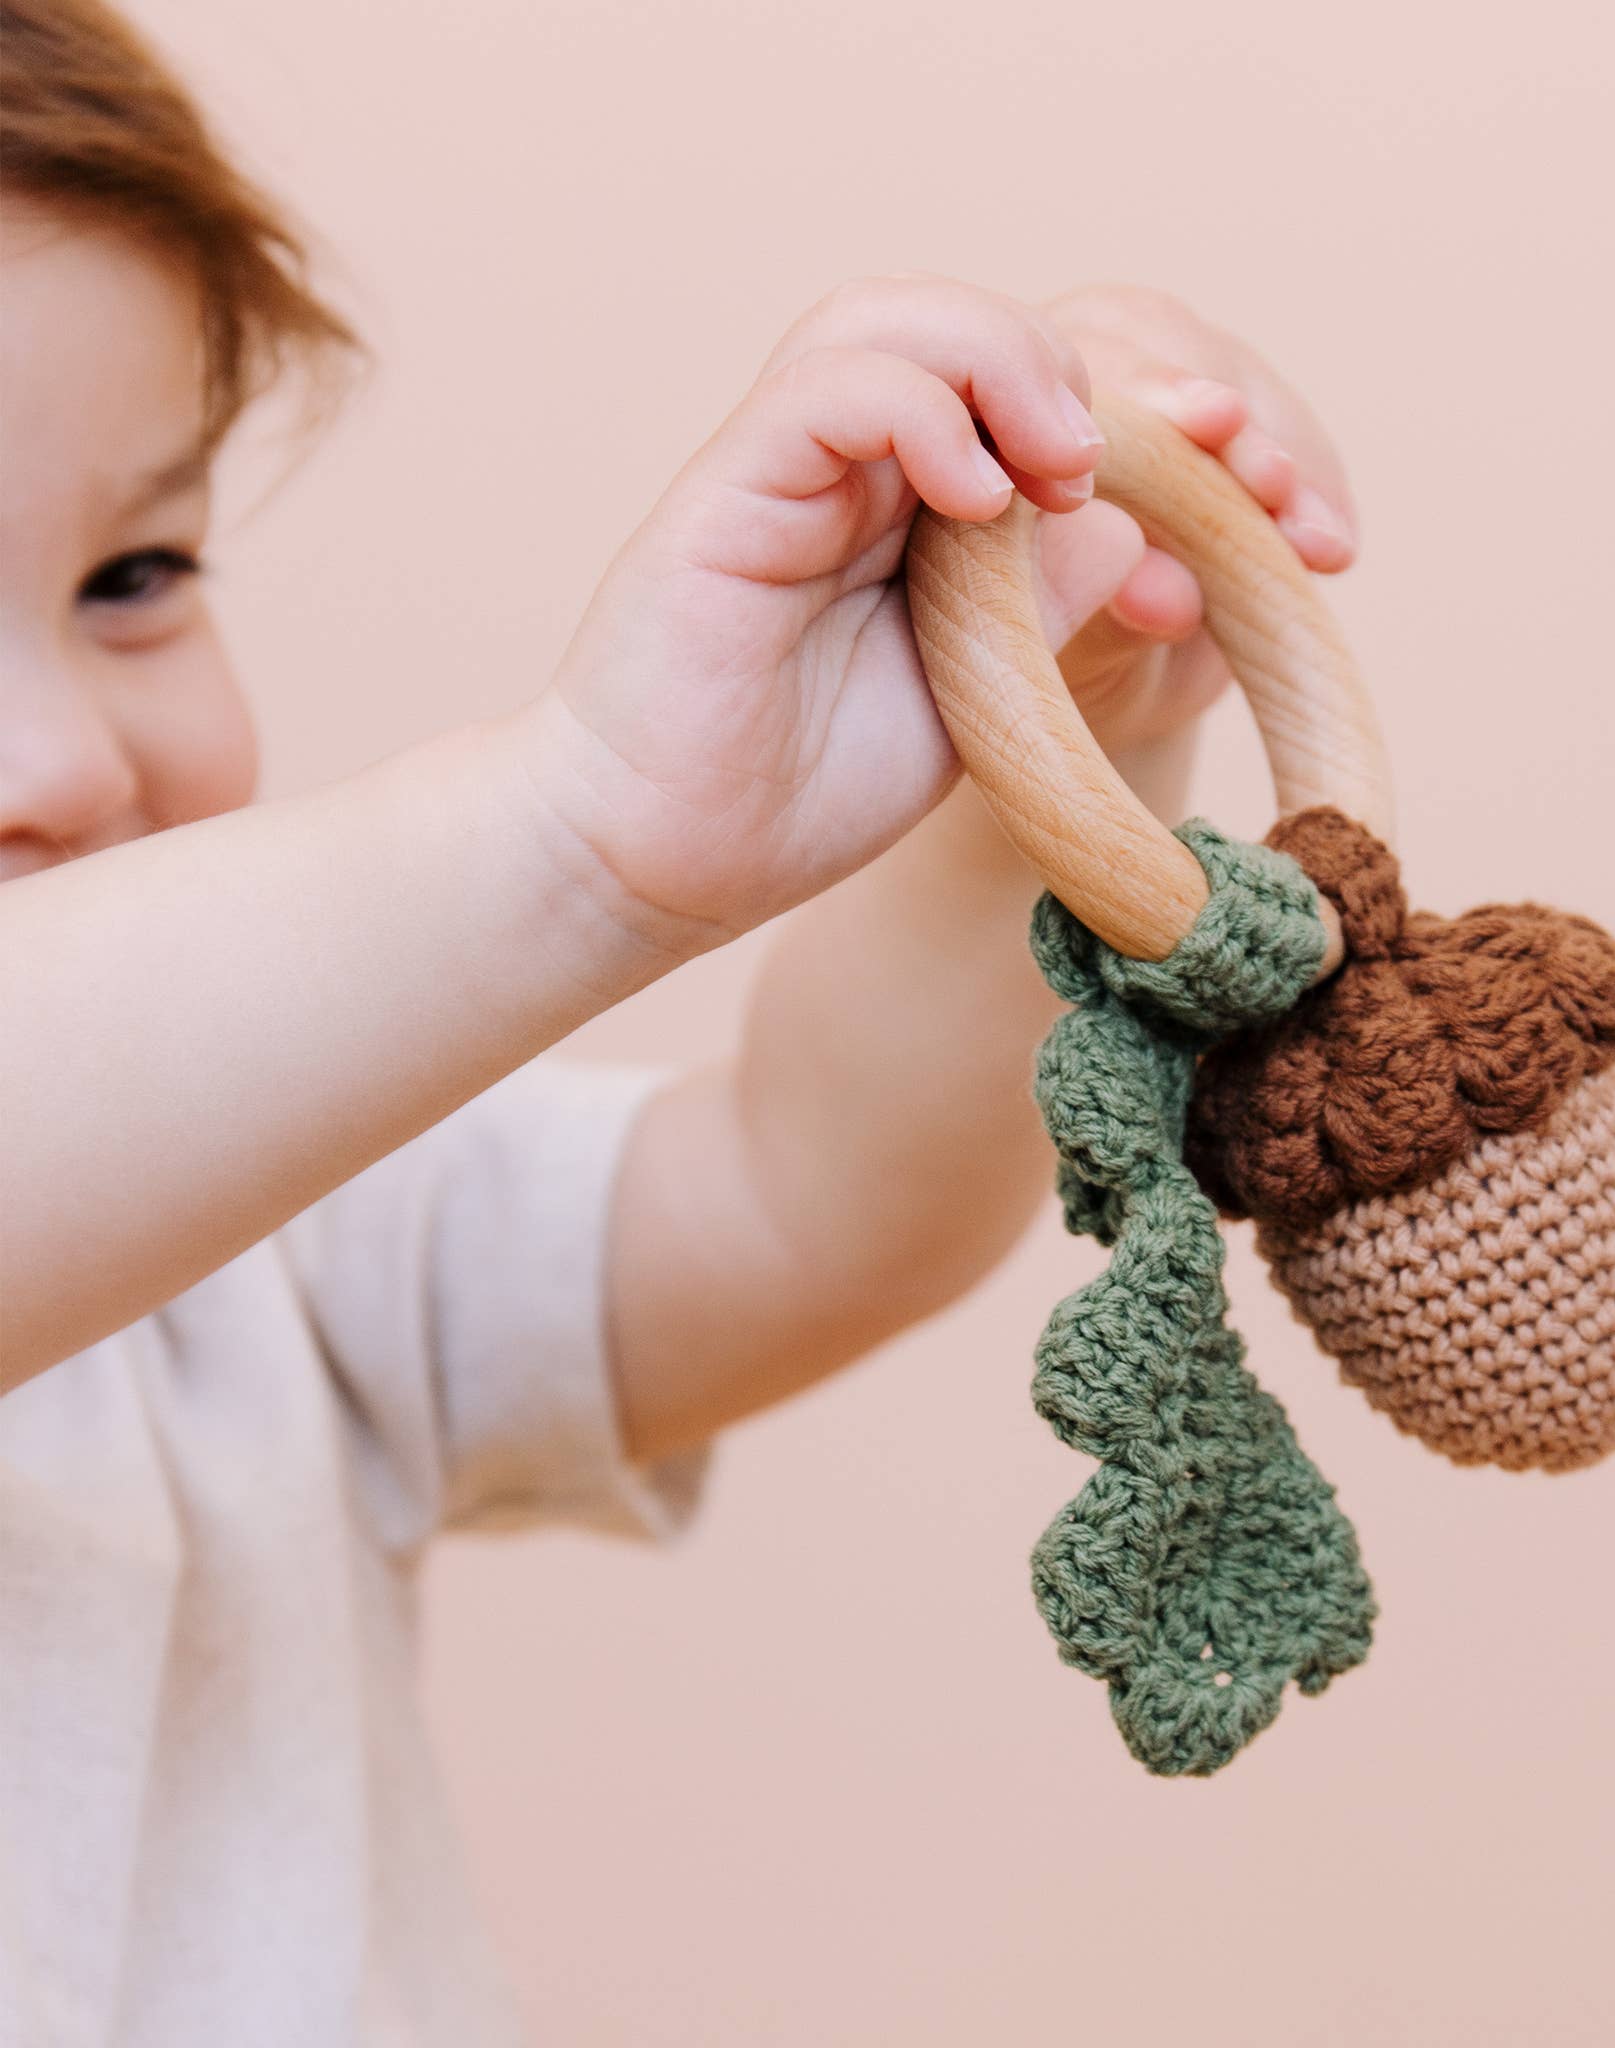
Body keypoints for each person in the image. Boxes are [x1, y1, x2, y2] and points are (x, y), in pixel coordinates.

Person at [0, 0, 1360, 2034]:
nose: (55, 760)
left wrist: (1036, 741)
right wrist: (571, 839)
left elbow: (801, 1197)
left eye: (131, 574)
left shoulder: (266, 1221)